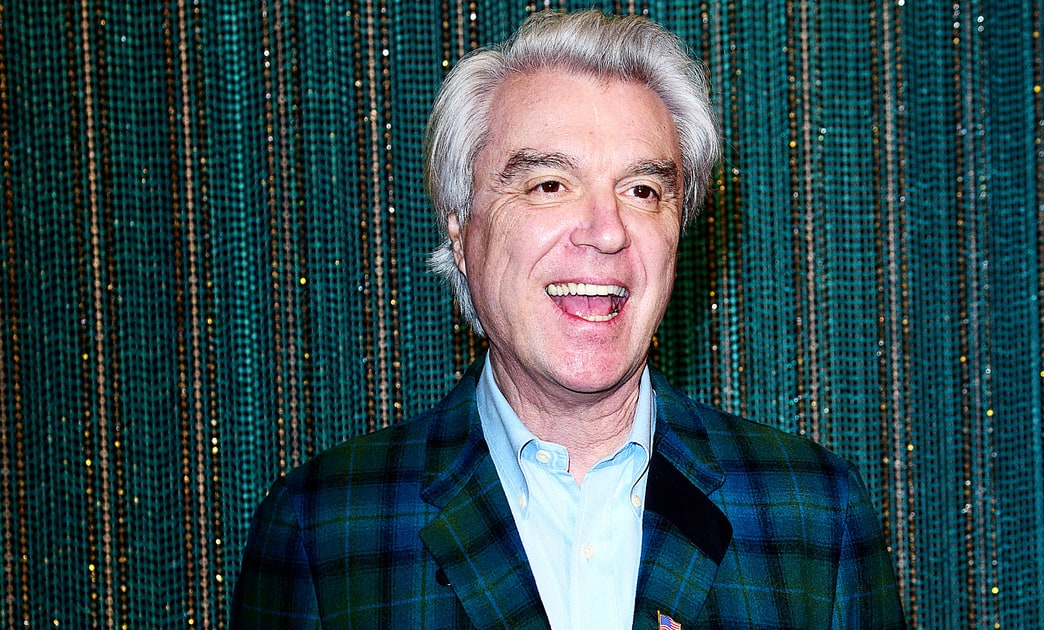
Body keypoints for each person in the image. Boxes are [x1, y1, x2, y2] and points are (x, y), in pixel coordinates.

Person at [231, 10, 906, 629]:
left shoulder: (817, 516)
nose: (606, 232)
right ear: (461, 231)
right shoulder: (323, 531)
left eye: (642, 190)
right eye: (550, 185)